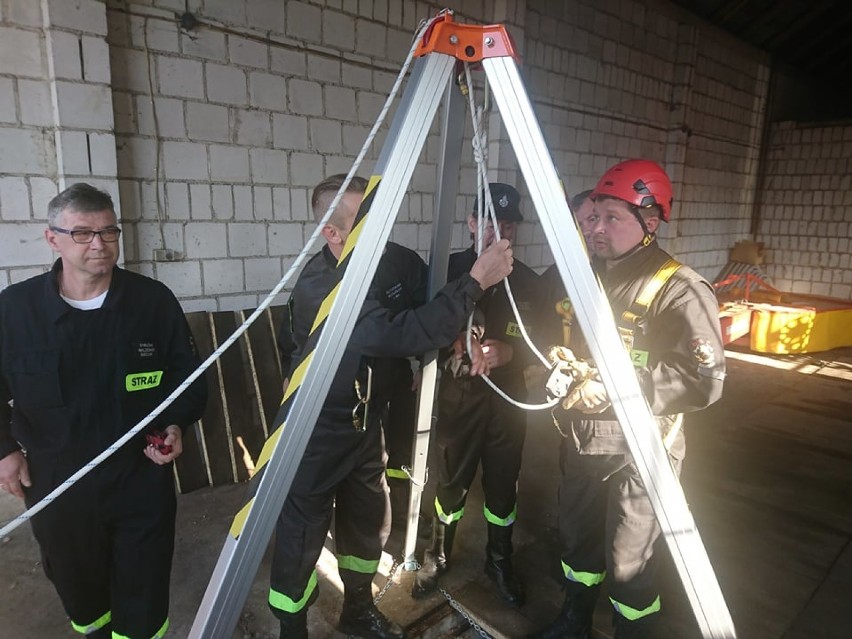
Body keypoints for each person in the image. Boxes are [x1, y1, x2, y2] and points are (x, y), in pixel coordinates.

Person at [271, 175, 514, 639]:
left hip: (367, 422)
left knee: (368, 522)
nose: (381, 232)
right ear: (332, 233)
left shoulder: (390, 262)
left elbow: (430, 303)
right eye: (366, 223)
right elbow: (398, 333)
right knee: (301, 536)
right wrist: (478, 278)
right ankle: (291, 626)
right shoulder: (320, 285)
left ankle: (358, 609)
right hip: (317, 430)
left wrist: (462, 337)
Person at [0, 183, 208, 639]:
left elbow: (189, 379)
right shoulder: (15, 311)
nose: (99, 244)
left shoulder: (151, 302)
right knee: (80, 587)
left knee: (144, 587)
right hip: (58, 481)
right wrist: (5, 451)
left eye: (108, 231)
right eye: (82, 233)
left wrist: (174, 424)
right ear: (51, 238)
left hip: (140, 477)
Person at [535, 160, 726, 638]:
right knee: (577, 542)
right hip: (582, 440)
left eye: (611, 218)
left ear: (650, 223)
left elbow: (704, 379)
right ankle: (573, 621)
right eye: (593, 216)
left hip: (640, 453)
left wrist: (619, 389)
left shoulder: (680, 289)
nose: (596, 228)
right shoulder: (585, 275)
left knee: (629, 563)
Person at [412, 183, 546, 607]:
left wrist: (510, 351)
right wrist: (452, 341)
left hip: (508, 401)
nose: (498, 232)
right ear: (472, 223)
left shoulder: (528, 282)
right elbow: (418, 326)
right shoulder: (445, 271)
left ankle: (499, 559)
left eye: (508, 224)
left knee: (504, 485)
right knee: (450, 482)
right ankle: (437, 555)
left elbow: (543, 341)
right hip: (459, 397)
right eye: (490, 222)